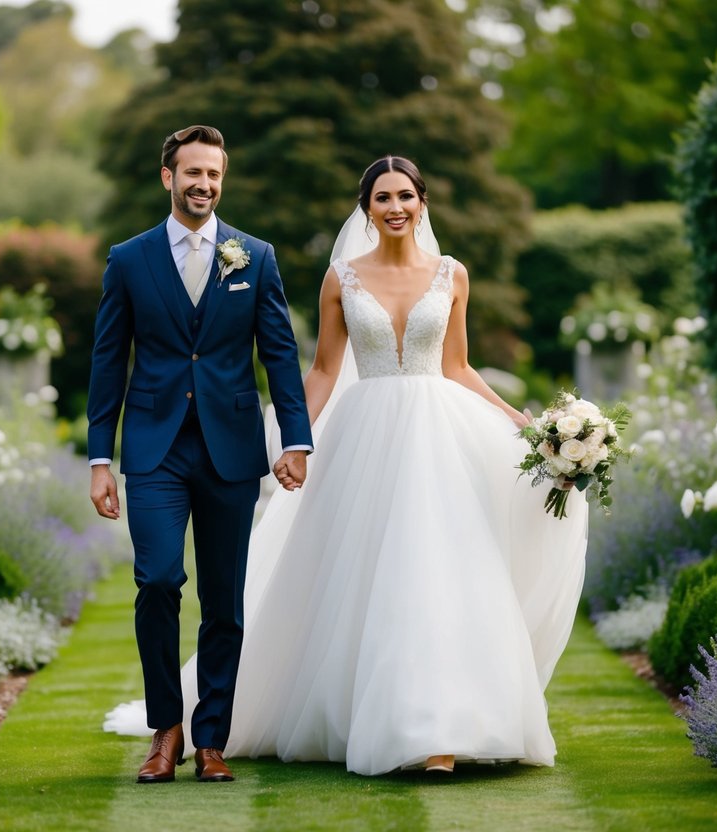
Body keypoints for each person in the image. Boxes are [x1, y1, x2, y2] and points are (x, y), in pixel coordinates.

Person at [105, 155, 588, 776]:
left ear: (422, 203)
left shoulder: (452, 274)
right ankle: (356, 714)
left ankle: (441, 729)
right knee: (363, 578)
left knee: (442, 572)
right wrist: (292, 440)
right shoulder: (342, 277)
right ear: (366, 208)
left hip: (439, 436)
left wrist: (523, 425)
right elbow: (324, 370)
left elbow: (459, 366)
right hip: (365, 436)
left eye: (405, 196)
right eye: (382, 197)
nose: (395, 207)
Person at [86, 125, 313, 784]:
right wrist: (100, 457)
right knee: (156, 582)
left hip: (231, 450)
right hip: (154, 450)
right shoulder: (128, 260)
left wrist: (294, 440)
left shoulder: (254, 257)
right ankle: (167, 730)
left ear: (222, 178)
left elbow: (279, 353)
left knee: (224, 601)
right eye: (192, 174)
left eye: (213, 175)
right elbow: (107, 361)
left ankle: (212, 737)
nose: (203, 185)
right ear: (168, 177)